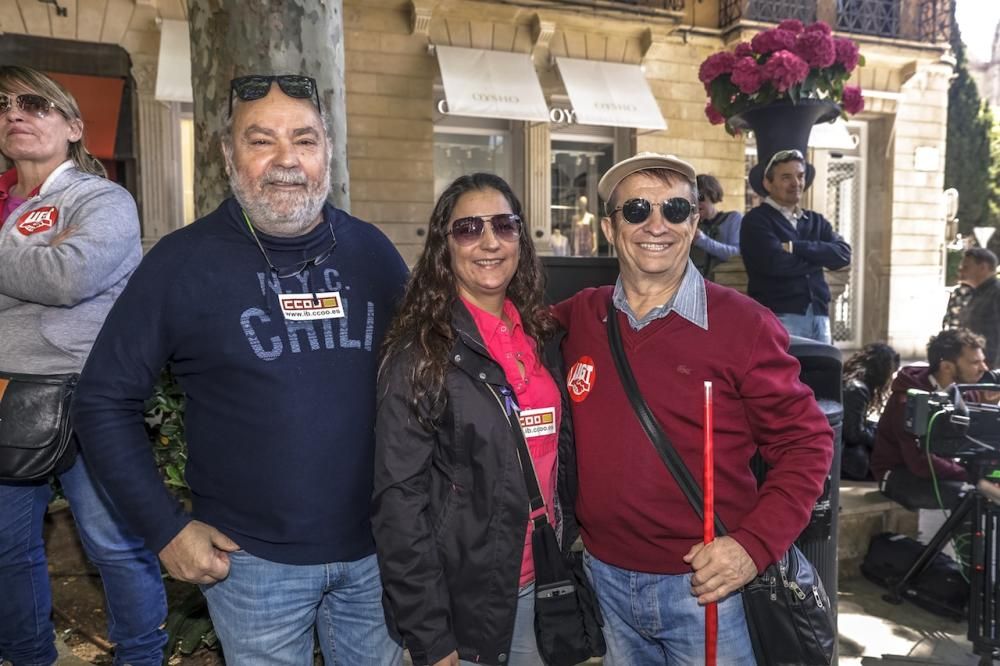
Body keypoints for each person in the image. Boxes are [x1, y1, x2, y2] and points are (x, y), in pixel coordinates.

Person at [71, 74, 407, 664]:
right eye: (261, 141)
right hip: (251, 569)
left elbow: (426, 382)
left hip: (375, 557)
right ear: (228, 154)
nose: (286, 160)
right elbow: (102, 399)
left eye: (304, 139)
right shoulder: (181, 262)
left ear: (327, 151)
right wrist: (164, 528)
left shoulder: (373, 254)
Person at [554, 152, 833, 664]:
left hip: (707, 590)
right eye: (636, 210)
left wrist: (753, 546)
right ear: (611, 229)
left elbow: (807, 442)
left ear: (695, 222)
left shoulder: (744, 325)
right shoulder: (579, 315)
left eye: (676, 210)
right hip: (604, 580)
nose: (656, 224)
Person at [373, 173, 578, 666]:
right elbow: (399, 501)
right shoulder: (420, 352)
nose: (489, 241)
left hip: (546, 578)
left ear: (520, 239)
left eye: (504, 226)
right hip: (467, 602)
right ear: (445, 245)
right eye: (468, 228)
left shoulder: (540, 332)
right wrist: (429, 632)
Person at [0, 66, 167, 665]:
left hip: (87, 393)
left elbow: (69, 276)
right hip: (5, 394)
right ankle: (26, 657)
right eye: (3, 104)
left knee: (116, 546)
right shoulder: (2, 200)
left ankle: (141, 658)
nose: (15, 112)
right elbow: (43, 272)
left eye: (34, 103)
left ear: (73, 126)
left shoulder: (103, 199)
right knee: (5, 548)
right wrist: (26, 268)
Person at [871, 328, 999, 512]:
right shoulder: (907, 401)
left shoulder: (966, 392)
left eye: (983, 361)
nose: (984, 368)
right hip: (898, 475)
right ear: (946, 366)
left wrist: (989, 405)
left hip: (942, 469)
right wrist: (974, 478)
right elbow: (920, 462)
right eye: (975, 362)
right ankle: (967, 540)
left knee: (986, 492)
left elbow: (974, 440)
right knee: (970, 498)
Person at [739, 149, 852, 344]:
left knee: (822, 373)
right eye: (786, 177)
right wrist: (820, 259)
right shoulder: (756, 221)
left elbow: (843, 254)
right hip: (779, 317)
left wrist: (795, 247)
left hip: (820, 316)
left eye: (800, 176)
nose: (796, 183)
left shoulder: (815, 220)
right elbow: (775, 264)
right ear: (768, 183)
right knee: (785, 375)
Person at [840, 343, 900, 481]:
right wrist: (882, 438)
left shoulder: (854, 381)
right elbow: (853, 434)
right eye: (890, 373)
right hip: (845, 454)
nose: (890, 379)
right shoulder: (857, 389)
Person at [691, 173, 742, 280]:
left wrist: (702, 240)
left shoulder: (732, 219)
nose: (696, 204)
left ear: (712, 195)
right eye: (692, 199)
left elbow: (737, 254)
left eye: (701, 198)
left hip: (725, 284)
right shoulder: (690, 223)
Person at [957, 248, 1000, 368]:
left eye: (966, 266)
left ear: (983, 268)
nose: (960, 269)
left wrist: (990, 372)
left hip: (988, 371)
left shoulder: (996, 293)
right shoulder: (978, 292)